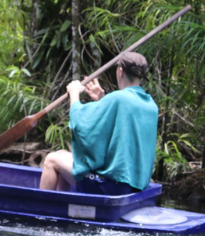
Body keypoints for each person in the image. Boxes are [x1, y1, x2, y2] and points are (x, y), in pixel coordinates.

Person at [39, 52, 158, 194]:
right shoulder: (151, 105)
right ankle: (63, 207)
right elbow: (120, 121)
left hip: (112, 186)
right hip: (135, 186)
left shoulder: (118, 98)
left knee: (51, 159)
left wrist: (74, 93)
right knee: (61, 154)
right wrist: (102, 99)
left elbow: (80, 123)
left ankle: (43, 211)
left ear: (120, 71)